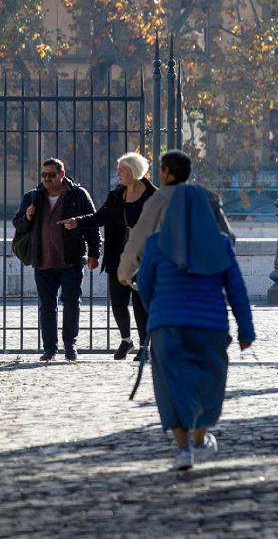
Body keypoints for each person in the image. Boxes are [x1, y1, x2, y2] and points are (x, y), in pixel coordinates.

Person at [138, 184, 254, 471]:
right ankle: (200, 441)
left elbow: (144, 284)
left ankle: (182, 450)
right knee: (207, 384)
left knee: (171, 385)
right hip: (209, 326)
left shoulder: (155, 243)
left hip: (167, 326)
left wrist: (157, 311)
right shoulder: (221, 243)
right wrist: (246, 330)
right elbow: (236, 289)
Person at [61, 152, 157, 360]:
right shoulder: (116, 195)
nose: (118, 173)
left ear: (133, 171)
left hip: (144, 260)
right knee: (118, 303)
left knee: (141, 305)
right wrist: (77, 221)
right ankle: (126, 341)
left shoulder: (153, 195)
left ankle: (144, 347)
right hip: (117, 258)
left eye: (122, 170)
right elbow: (100, 217)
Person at [12, 158, 101, 362]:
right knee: (46, 305)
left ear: (61, 174)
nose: (47, 179)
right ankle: (50, 348)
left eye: (51, 174)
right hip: (42, 260)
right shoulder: (32, 197)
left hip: (71, 259)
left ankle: (70, 345)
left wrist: (94, 253)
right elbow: (18, 225)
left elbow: (92, 225)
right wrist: (27, 216)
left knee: (71, 303)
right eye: (44, 175)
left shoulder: (78, 195)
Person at [117, 150, 234, 287]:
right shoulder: (208, 198)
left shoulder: (158, 201)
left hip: (169, 281)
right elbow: (228, 238)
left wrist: (124, 273)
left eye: (161, 170)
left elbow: (138, 242)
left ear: (166, 172)